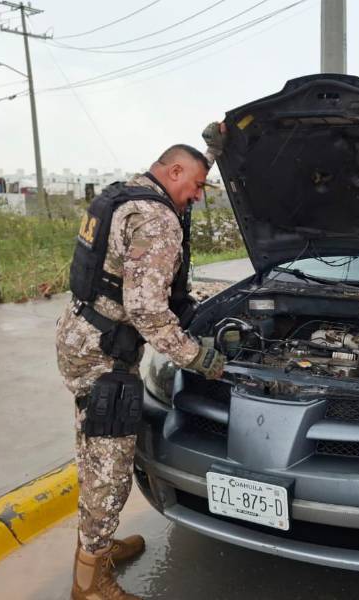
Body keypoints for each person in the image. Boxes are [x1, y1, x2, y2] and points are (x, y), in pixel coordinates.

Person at [55, 124, 228, 600]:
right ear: (173, 172)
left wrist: (213, 151)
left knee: (93, 455)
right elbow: (148, 309)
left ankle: (98, 546)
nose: (196, 198)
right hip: (106, 355)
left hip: (81, 333)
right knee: (109, 467)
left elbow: (123, 281)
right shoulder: (158, 220)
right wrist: (198, 357)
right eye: (195, 187)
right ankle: (90, 582)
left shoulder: (125, 193)